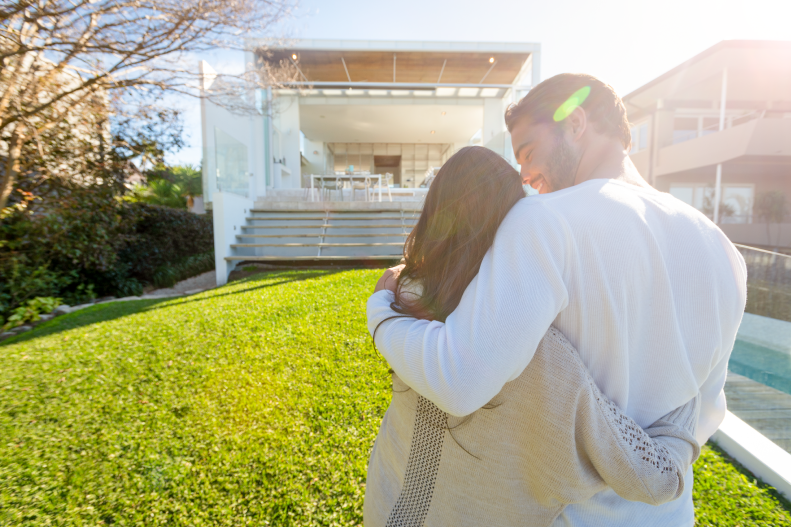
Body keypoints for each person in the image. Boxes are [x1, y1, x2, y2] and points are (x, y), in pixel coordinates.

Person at [368, 73, 747, 526]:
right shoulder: (724, 250)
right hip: (665, 514)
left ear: (576, 121)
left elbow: (460, 378)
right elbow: (700, 415)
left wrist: (382, 313)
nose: (525, 174)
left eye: (528, 151)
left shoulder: (543, 222)